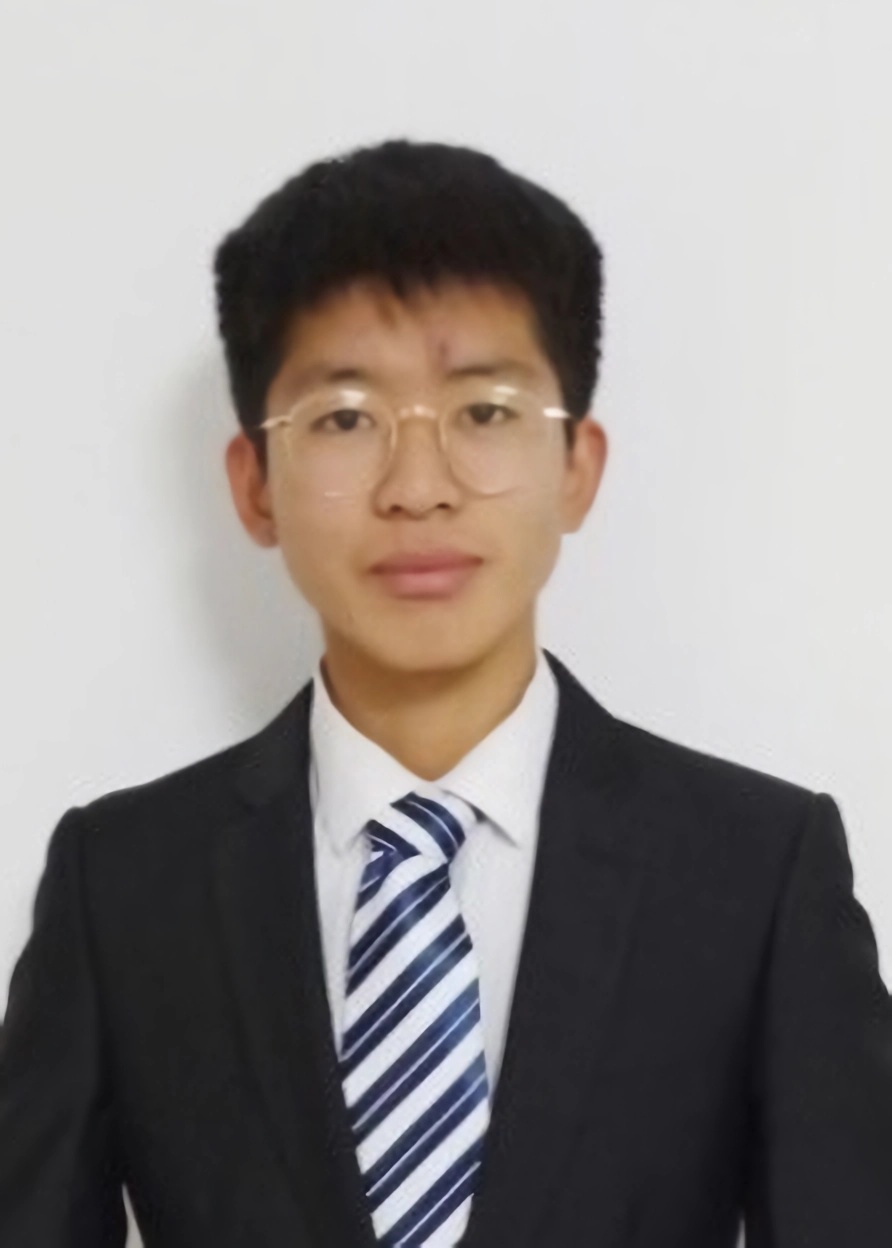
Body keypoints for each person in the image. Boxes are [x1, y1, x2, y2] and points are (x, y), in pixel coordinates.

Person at [1, 137, 890, 1248]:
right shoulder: (124, 887)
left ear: (577, 467)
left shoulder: (755, 872)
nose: (417, 489)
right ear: (254, 484)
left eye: (483, 412)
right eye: (344, 418)